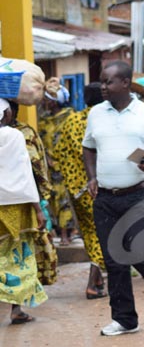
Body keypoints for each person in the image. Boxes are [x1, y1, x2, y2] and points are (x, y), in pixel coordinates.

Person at [82, 61, 144, 336]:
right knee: (113, 260)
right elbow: (88, 147)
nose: (103, 86)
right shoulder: (96, 114)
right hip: (105, 197)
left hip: (141, 193)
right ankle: (124, 319)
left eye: (108, 81)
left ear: (125, 83)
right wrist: (92, 177)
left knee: (142, 253)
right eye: (102, 81)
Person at [53, 83, 106, 299]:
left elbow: (58, 152)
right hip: (98, 187)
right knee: (102, 235)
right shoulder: (103, 121)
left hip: (76, 190)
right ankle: (92, 283)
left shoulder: (72, 121)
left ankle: (98, 279)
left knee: (89, 232)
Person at [0, 98, 49, 324]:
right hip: (18, 204)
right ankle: (16, 309)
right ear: (6, 114)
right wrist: (38, 208)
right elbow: (25, 172)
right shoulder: (15, 136)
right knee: (18, 255)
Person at [38, 78, 76, 245]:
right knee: (52, 199)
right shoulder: (44, 120)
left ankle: (66, 234)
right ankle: (58, 231)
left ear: (55, 101)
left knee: (65, 200)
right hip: (48, 167)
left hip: (66, 167)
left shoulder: (69, 118)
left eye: (47, 99)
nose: (45, 102)